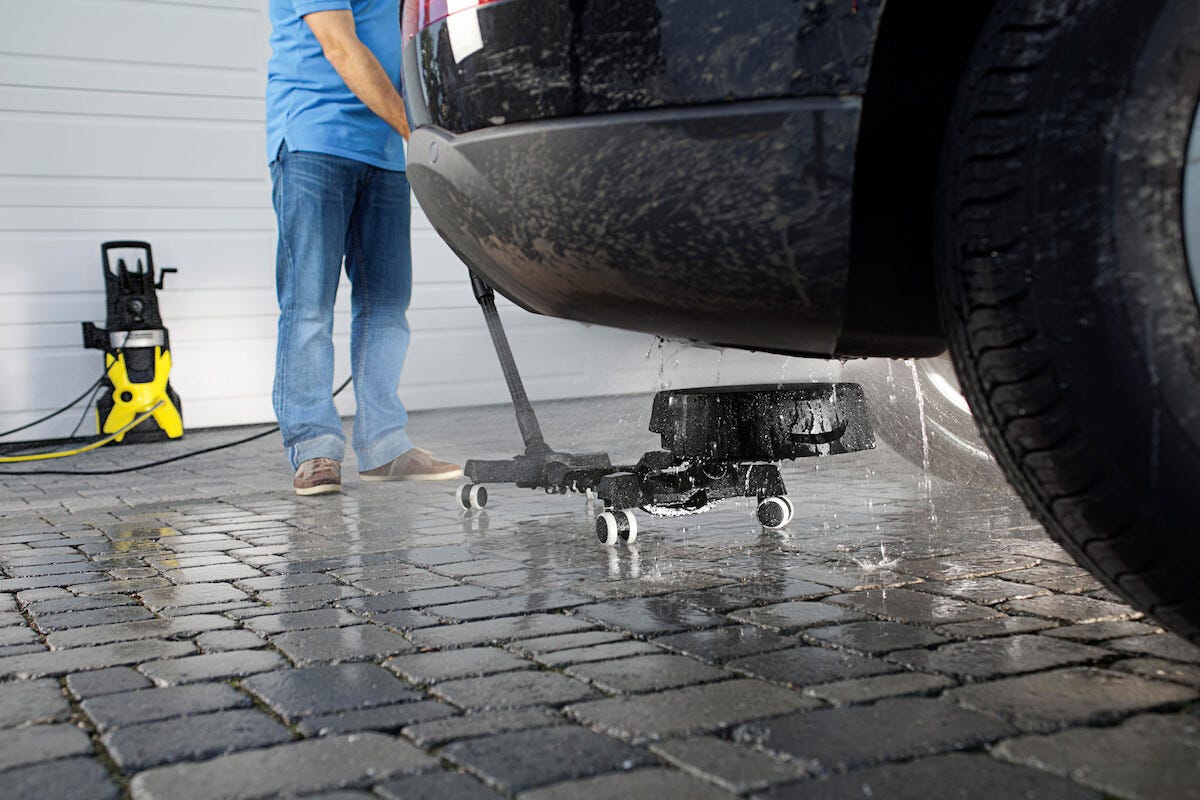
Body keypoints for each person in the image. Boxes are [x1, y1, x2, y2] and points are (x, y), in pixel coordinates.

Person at [267, 0, 461, 495]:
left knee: (387, 306)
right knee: (309, 306)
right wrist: (416, 130)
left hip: (384, 153)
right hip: (315, 140)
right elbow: (340, 45)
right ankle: (313, 447)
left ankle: (384, 445)